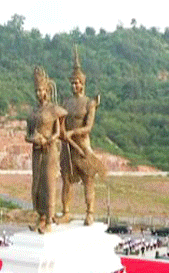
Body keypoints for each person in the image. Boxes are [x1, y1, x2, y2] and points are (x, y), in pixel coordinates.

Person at [58, 46, 105, 225]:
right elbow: (60, 120)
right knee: (66, 180)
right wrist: (62, 131)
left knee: (88, 180)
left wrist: (73, 132)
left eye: (77, 83)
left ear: (83, 84)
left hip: (82, 146)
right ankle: (66, 212)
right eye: (72, 83)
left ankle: (90, 211)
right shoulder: (66, 102)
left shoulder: (89, 103)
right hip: (67, 147)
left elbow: (88, 127)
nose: (74, 85)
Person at [26, 66, 67, 233]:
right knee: (37, 184)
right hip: (36, 151)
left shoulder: (53, 109)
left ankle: (49, 220)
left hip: (49, 150)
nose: (38, 94)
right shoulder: (33, 112)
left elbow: (57, 132)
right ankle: (40, 216)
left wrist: (47, 140)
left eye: (41, 90)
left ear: (47, 91)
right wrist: (34, 139)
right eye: (36, 90)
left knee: (49, 184)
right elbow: (27, 134)